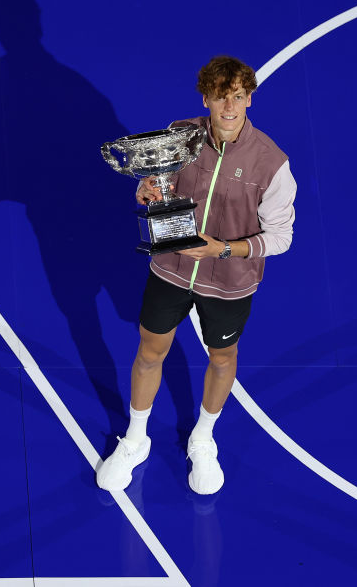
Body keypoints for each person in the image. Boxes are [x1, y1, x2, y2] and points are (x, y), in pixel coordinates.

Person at [96, 55, 297, 495]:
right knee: (150, 350)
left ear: (250, 98)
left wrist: (221, 249)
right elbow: (159, 186)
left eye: (238, 97)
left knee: (222, 357)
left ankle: (202, 438)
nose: (230, 108)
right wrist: (146, 188)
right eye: (221, 98)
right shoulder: (179, 135)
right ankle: (135, 439)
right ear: (205, 98)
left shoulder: (271, 163)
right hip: (171, 269)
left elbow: (281, 237)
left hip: (229, 282)